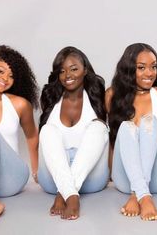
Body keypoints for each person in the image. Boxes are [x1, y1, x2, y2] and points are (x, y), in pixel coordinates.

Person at [105, 43, 157, 221]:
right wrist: (108, 173)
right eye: (141, 67)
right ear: (129, 70)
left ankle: (137, 194)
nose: (150, 73)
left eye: (153, 67)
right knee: (126, 127)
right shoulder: (111, 95)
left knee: (150, 121)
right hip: (124, 179)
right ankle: (143, 195)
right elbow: (114, 139)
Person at [38, 46, 109, 220]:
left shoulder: (98, 98)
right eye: (62, 71)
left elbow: (107, 139)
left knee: (99, 127)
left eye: (74, 69)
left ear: (85, 70)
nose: (67, 75)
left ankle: (65, 195)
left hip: (91, 179)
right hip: (52, 181)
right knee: (47, 130)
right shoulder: (50, 98)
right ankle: (71, 194)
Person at [0, 45, 39, 221]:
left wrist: (36, 171)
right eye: (0, 71)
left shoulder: (19, 104)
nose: (5, 79)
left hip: (11, 178)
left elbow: (32, 136)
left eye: (11, 76)